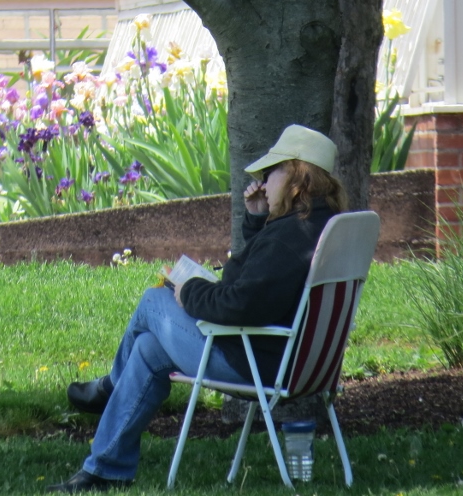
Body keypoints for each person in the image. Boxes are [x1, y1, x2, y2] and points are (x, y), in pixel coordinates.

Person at [47, 124, 347, 493]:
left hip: (254, 363)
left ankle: (111, 385)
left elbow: (240, 304)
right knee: (147, 350)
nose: (264, 183)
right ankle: (104, 469)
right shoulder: (318, 226)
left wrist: (189, 289)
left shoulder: (289, 238)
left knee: (154, 300)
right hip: (297, 363)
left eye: (271, 173)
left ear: (298, 177)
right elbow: (265, 281)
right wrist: (257, 220)